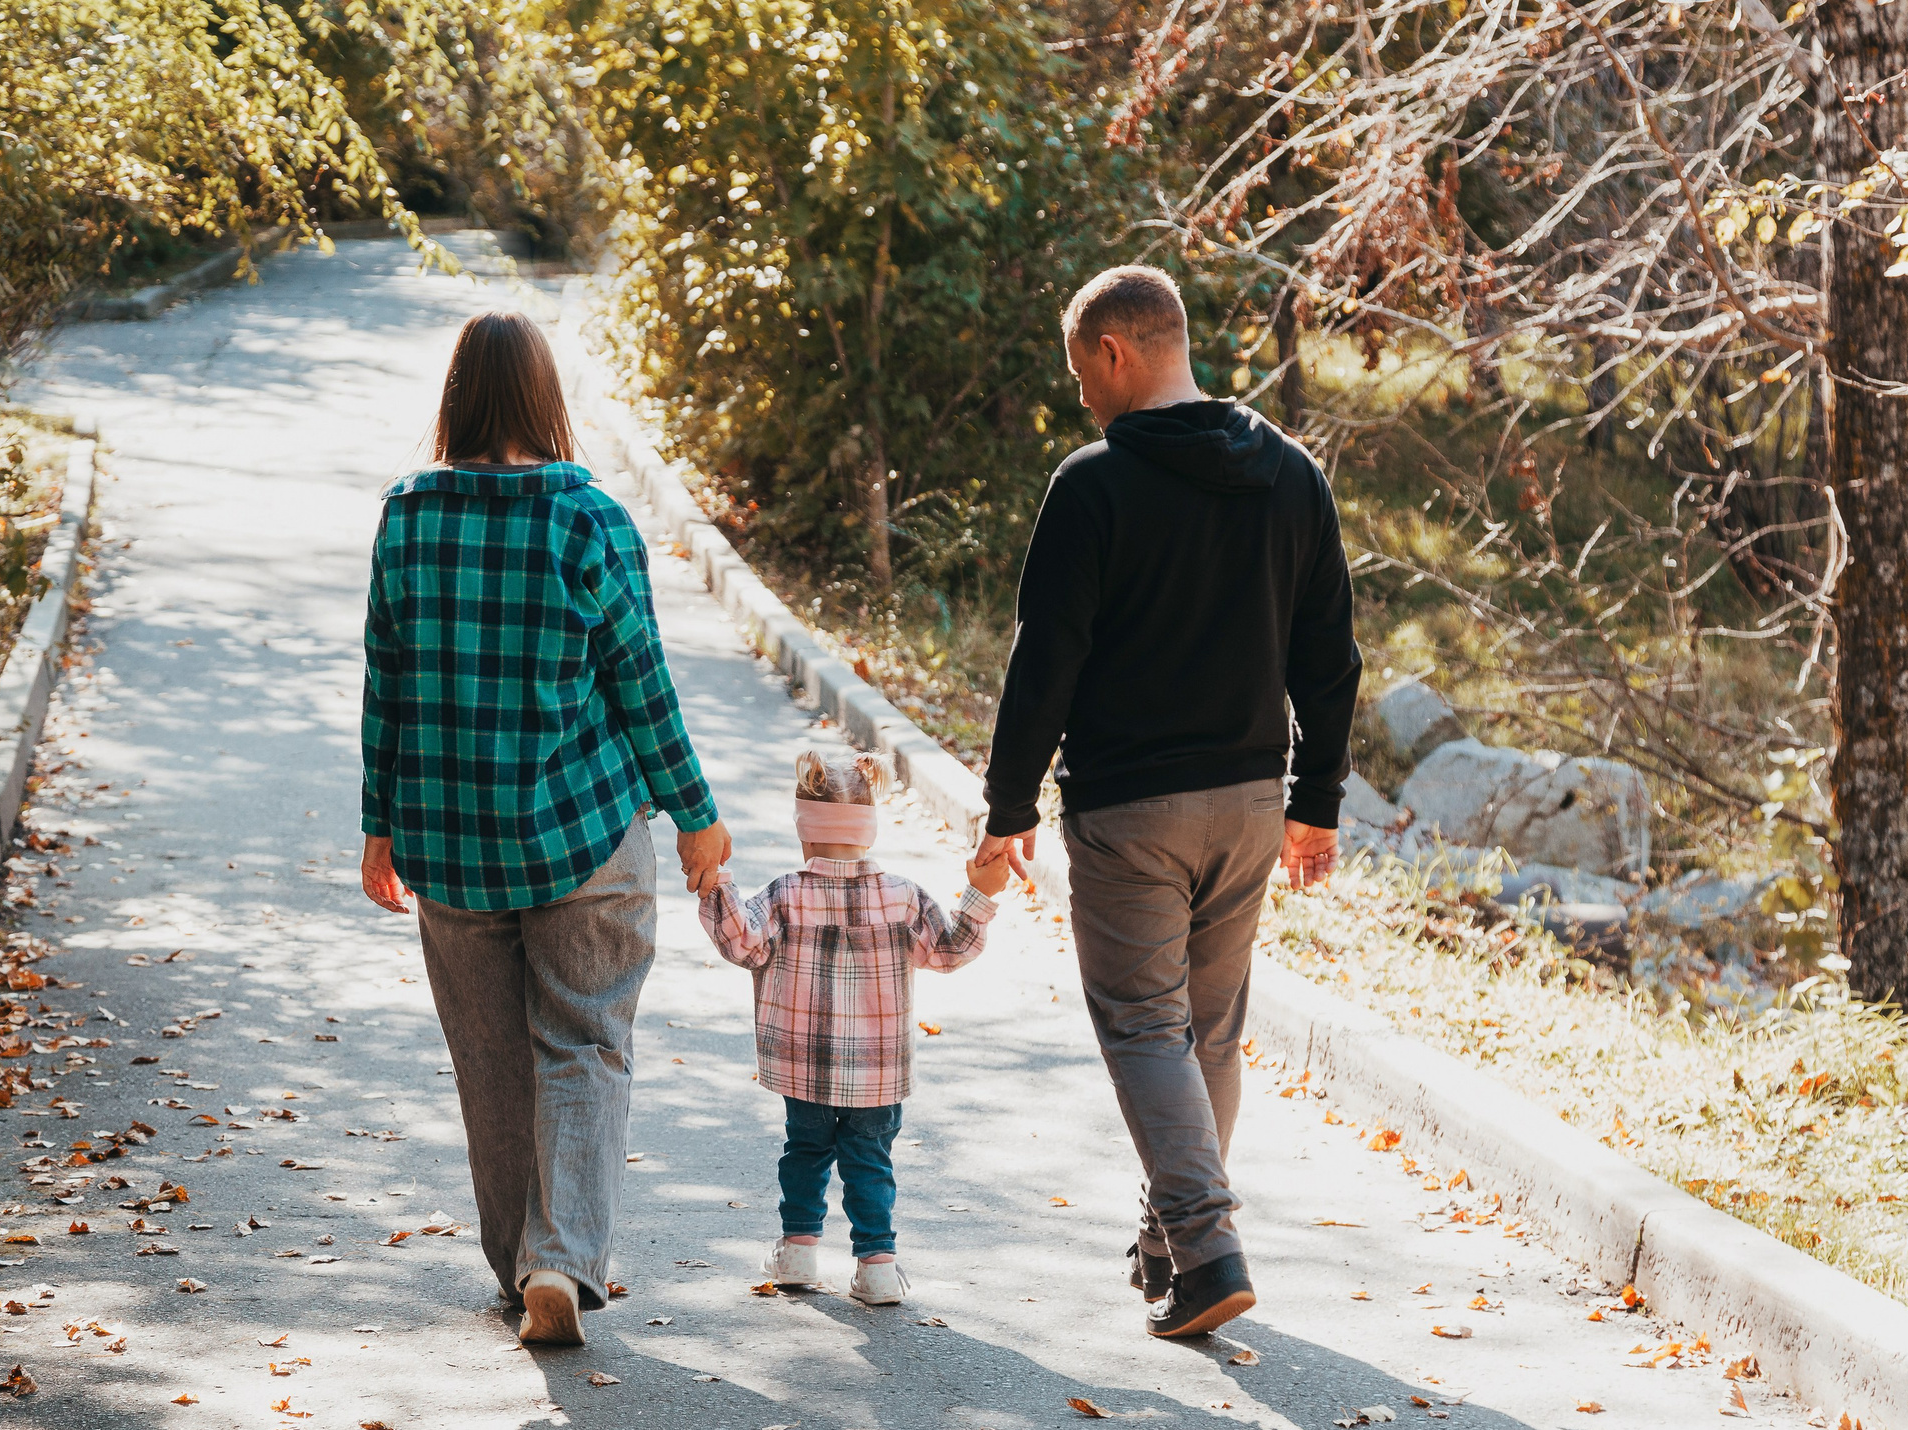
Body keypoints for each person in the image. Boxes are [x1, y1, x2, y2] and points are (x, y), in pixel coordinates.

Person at [976, 265, 1361, 1340]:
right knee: (1210, 1032)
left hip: (1130, 814)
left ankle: (1206, 1244)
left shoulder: (1091, 485)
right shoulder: (1289, 475)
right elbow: (1329, 657)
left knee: (1146, 1027)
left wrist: (1007, 806)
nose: (1080, 399)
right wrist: (1315, 799)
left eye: (1078, 374)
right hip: (1246, 801)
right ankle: (1167, 1241)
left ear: (1114, 353)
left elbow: (1043, 659)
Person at [358, 309, 732, 1350]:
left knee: (488, 1059)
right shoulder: (587, 518)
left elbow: (387, 680)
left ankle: (515, 1266)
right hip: (584, 835)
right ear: (543, 399)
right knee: (584, 1042)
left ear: (457, 396)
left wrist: (379, 826)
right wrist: (695, 814)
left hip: (449, 840)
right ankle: (558, 1260)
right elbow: (641, 684)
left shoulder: (407, 514)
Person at [699, 750, 1009, 1305]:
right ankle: (878, 1266)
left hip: (804, 1065)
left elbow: (740, 943)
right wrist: (981, 895)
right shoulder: (901, 895)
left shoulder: (784, 893)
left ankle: (797, 1251)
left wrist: (717, 882)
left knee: (804, 1150)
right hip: (878, 1071)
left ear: (805, 835)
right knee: (871, 1159)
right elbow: (950, 950)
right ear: (867, 831)